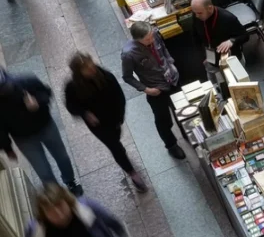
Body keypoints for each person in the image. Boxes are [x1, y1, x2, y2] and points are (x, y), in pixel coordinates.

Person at [64, 53, 148, 193]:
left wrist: (120, 117)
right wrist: (85, 113)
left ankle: (120, 151)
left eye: (92, 65)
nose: (92, 69)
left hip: (114, 119)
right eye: (87, 68)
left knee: (116, 141)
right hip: (99, 126)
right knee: (114, 146)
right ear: (79, 72)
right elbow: (71, 106)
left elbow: (119, 97)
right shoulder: (73, 87)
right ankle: (131, 172)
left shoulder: (105, 76)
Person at [1, 67, 82, 194]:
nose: (5, 91)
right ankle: (58, 196)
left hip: (45, 127)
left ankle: (70, 181)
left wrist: (38, 103)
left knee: (62, 158)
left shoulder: (26, 81)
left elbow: (46, 93)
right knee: (43, 171)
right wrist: (7, 148)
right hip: (24, 138)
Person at [121, 21, 186, 160]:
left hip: (173, 79)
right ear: (137, 39)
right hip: (156, 89)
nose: (151, 40)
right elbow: (127, 77)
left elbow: (163, 48)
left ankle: (187, 133)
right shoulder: (129, 54)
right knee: (163, 120)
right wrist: (146, 89)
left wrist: (170, 61)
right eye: (147, 40)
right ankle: (171, 145)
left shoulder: (154, 34)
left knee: (182, 109)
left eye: (151, 36)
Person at [191, 0, 250, 64]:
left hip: (231, 59)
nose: (197, 16)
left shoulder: (228, 18)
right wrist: (202, 55)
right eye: (195, 13)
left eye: (199, 13)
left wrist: (232, 41)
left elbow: (245, 35)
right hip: (210, 59)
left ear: (210, 8)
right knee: (212, 74)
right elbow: (195, 36)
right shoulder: (197, 16)